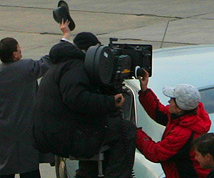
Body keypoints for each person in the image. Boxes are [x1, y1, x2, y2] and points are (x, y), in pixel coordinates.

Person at [32, 32, 136, 178]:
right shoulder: (76, 67)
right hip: (64, 134)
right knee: (125, 130)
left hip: (52, 133)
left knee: (97, 133)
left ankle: (87, 174)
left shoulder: (60, 65)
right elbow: (77, 99)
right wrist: (110, 102)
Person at [1, 19, 70, 178]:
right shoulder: (26, 68)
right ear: (15, 54)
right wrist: (65, 36)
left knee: (5, 170)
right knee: (29, 171)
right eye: (18, 48)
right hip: (25, 133)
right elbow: (51, 59)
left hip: (4, 134)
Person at [134, 74, 211, 178]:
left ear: (179, 108)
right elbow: (159, 112)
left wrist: (134, 133)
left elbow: (156, 153)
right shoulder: (190, 115)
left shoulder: (183, 132)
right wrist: (145, 90)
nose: (169, 101)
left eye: (172, 99)